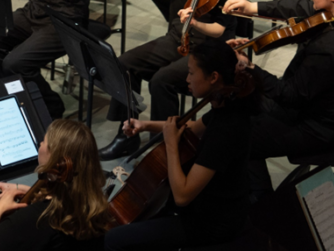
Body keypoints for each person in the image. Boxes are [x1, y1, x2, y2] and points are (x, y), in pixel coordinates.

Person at [88, 0, 247, 159]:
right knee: (125, 64)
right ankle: (125, 135)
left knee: (162, 81)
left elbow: (221, 30)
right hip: (180, 37)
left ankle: (161, 149)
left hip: (208, 49)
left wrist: (195, 22)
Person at [224, 0, 334, 202]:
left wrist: (250, 68)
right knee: (241, 110)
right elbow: (301, 7)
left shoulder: (329, 47)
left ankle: (261, 207)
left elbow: (291, 94)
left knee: (238, 136)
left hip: (323, 126)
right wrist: (253, 9)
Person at [104, 39, 253, 250]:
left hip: (210, 224)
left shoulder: (227, 128)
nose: (186, 79)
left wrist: (172, 145)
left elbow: (183, 195)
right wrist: (144, 124)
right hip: (200, 208)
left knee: (114, 240)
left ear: (213, 77)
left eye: (191, 73)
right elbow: (191, 126)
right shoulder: (224, 107)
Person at [0, 119, 113, 251]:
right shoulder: (94, 202)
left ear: (55, 160)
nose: (40, 144)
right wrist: (21, 189)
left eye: (44, 142)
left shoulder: (37, 218)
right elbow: (58, 195)